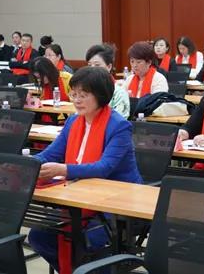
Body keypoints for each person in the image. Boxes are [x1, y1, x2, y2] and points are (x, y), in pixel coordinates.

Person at [28, 66, 142, 274]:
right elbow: (50, 154)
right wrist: (25, 164)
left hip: (115, 205)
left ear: (100, 96)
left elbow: (104, 168)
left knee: (87, 241)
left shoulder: (119, 126)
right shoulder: (73, 121)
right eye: (74, 94)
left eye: (83, 95)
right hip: (77, 198)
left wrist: (64, 169)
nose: (76, 100)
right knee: (38, 236)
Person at [86, 44, 130, 119]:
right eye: (89, 65)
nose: (92, 69)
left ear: (109, 67)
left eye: (97, 65)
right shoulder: (86, 90)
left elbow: (119, 121)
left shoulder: (119, 93)